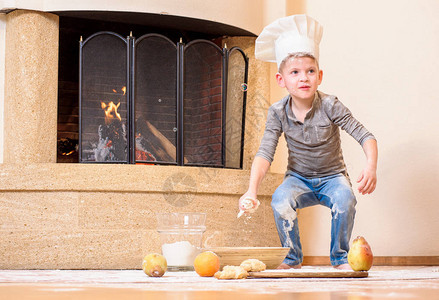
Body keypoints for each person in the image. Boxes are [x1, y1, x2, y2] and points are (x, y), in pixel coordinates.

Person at [238, 15, 378, 270]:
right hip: (298, 179)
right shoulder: (278, 112)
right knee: (280, 200)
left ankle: (339, 258)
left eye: (310, 71)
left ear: (319, 76)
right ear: (282, 80)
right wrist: (252, 190)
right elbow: (265, 153)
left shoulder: (330, 105)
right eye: (295, 72)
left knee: (345, 199)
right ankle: (292, 259)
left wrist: (370, 166)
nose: (304, 78)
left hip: (332, 176)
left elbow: (365, 136)